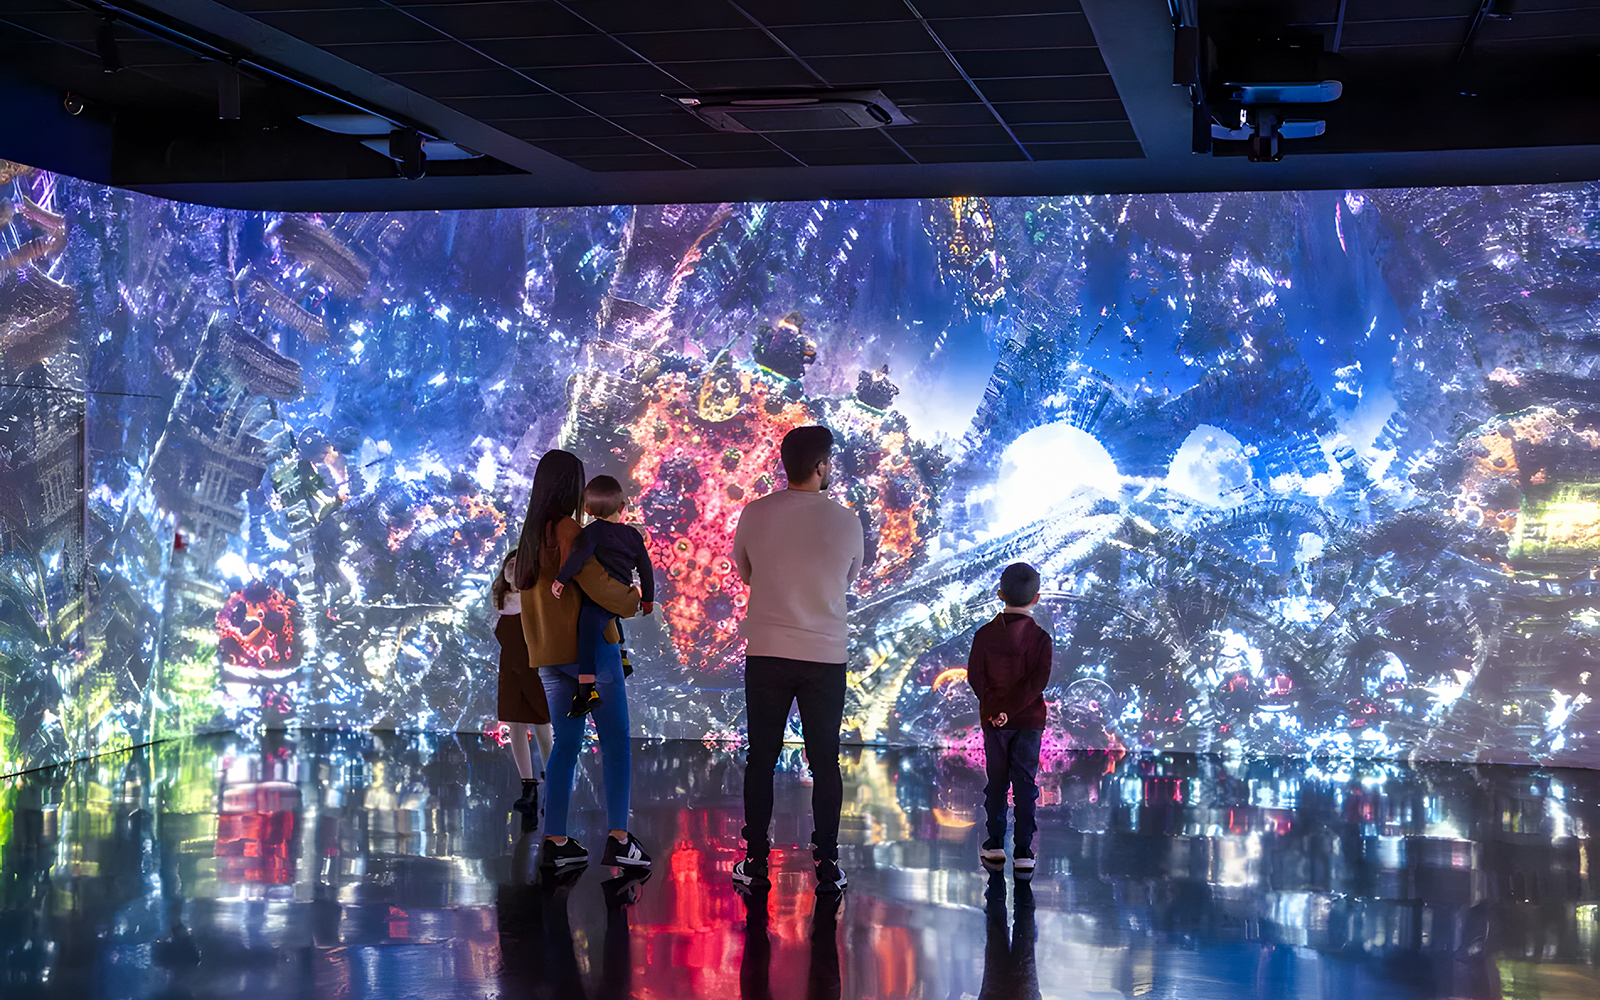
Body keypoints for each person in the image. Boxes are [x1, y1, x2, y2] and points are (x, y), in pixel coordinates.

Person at [730, 425, 864, 895]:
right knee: (825, 761)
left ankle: (755, 860)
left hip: (767, 650)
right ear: (822, 465)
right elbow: (849, 577)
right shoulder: (847, 520)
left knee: (761, 758)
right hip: (825, 654)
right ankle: (826, 864)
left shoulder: (757, 511)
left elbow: (745, 570)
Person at [515, 449, 651, 872]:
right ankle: (619, 839)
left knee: (565, 747)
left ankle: (555, 841)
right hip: (589, 655)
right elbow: (600, 587)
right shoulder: (570, 529)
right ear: (572, 487)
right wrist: (636, 600)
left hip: (548, 659)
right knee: (615, 743)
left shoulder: (530, 535)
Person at [967, 562, 1053, 877]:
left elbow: (975, 678)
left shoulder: (984, 635)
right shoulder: (1042, 638)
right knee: (1025, 785)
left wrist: (996, 711)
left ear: (1000, 594)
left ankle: (994, 844)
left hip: (993, 722)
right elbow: (1037, 683)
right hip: (1029, 721)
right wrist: (1013, 711)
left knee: (997, 782)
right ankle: (1023, 851)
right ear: (1037, 598)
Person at [550, 475, 655, 718]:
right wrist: (647, 598)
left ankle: (586, 690)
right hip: (622, 595)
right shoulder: (633, 536)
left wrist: (561, 579)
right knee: (614, 619)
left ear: (586, 509)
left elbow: (577, 558)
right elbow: (645, 569)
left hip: (598, 600)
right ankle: (623, 656)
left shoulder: (591, 533)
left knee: (586, 636)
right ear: (622, 507)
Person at [492, 550, 553, 814]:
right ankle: (527, 784)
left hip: (534, 671)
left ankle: (554, 783)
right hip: (510, 672)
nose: (512, 568)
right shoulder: (499, 601)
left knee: (543, 727)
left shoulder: (535, 600)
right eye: (509, 563)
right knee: (515, 726)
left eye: (518, 564)